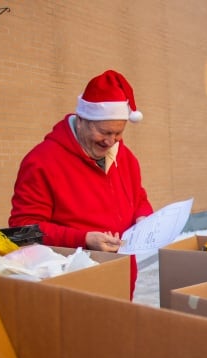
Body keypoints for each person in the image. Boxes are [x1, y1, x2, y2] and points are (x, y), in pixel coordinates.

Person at [9, 70, 153, 298]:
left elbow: (138, 198)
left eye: (118, 133)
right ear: (83, 120)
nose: (110, 141)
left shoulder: (126, 158)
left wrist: (144, 217)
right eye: (104, 132)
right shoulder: (41, 162)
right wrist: (83, 239)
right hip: (72, 283)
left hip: (122, 277)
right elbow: (23, 230)